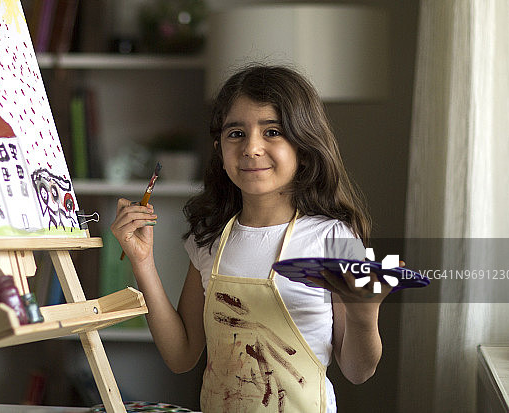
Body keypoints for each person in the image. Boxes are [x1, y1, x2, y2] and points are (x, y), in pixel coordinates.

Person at [111, 64, 394, 412]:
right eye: (236, 134)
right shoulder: (209, 238)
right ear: (219, 147)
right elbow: (181, 355)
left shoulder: (334, 239)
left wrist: (365, 316)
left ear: (303, 146)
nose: (251, 147)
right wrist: (143, 264)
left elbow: (358, 370)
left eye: (272, 131)